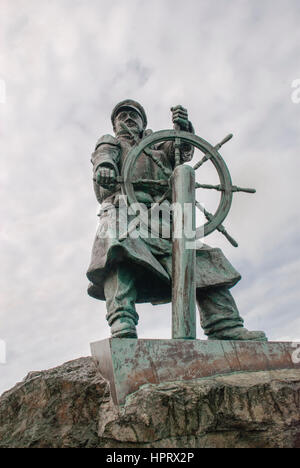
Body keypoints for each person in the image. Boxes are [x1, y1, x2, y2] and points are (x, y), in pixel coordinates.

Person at [87, 99, 267, 342]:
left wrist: (183, 129)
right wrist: (105, 168)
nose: (128, 119)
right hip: (125, 212)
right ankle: (122, 320)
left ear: (143, 122)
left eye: (134, 115)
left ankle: (224, 324)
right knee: (117, 243)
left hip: (165, 220)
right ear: (115, 123)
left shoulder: (160, 146)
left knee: (200, 258)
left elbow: (181, 152)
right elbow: (103, 157)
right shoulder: (111, 142)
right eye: (122, 116)